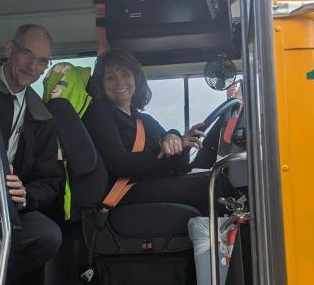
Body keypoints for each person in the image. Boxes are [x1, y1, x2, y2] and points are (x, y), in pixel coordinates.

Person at [83, 48, 218, 213]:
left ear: (136, 79)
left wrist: (175, 138)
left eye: (125, 74)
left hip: (151, 186)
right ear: (102, 86)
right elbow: (120, 164)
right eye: (110, 78)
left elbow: (179, 166)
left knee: (214, 179)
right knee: (213, 185)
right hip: (126, 193)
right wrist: (166, 149)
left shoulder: (145, 120)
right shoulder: (99, 113)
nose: (120, 82)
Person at [0, 23, 63, 279]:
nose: (33, 66)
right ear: (10, 49)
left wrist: (25, 196)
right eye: (27, 54)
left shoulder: (43, 117)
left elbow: (50, 179)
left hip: (6, 207)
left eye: (42, 61)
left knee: (47, 235)